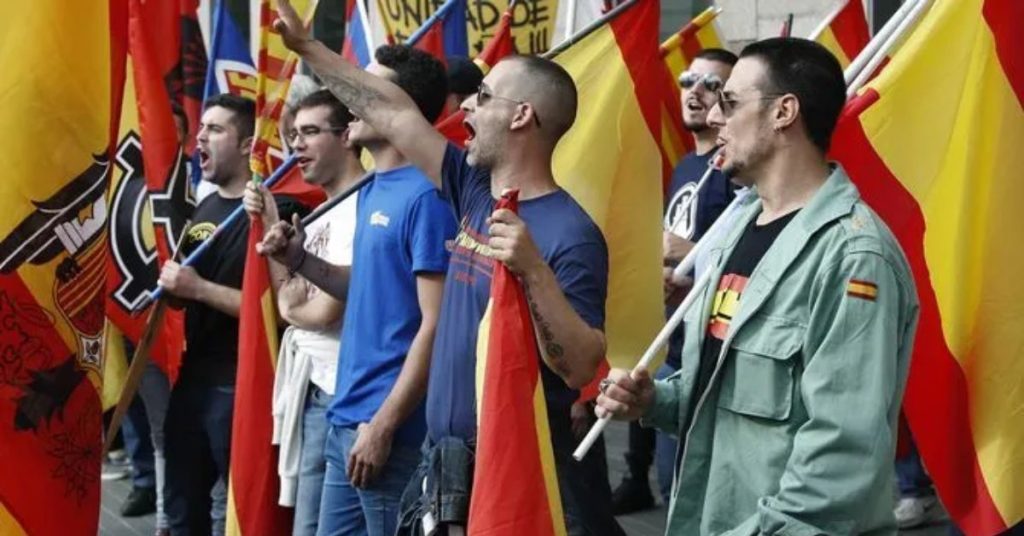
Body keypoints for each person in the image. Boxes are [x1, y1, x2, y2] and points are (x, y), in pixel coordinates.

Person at [271, 3, 621, 534]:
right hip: (445, 468)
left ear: (522, 115)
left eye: (483, 98)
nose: (467, 112)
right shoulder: (473, 191)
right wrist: (308, 50)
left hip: (514, 477)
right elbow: (394, 114)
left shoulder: (570, 234)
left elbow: (578, 365)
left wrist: (533, 273)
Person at [595, 37, 920, 535]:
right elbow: (726, 387)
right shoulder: (735, 228)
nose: (714, 118)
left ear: (784, 112)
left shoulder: (855, 256)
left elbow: (839, 458)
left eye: (730, 101)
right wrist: (652, 401)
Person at [256, 45, 456, 536]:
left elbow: (437, 324)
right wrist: (298, 260)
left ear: (396, 103)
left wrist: (384, 425)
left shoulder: (427, 197)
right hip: (345, 418)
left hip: (388, 432)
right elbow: (364, 288)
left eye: (363, 90)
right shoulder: (372, 189)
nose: (350, 103)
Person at [158, 93, 306, 535]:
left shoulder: (276, 213)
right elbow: (187, 293)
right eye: (201, 128)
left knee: (242, 509)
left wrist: (198, 289)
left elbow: (277, 313)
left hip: (240, 384)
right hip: (193, 378)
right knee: (182, 507)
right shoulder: (204, 207)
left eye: (215, 129)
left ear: (248, 144)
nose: (200, 136)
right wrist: (176, 293)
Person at [612, 48, 740, 513]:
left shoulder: (734, 172)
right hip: (675, 341)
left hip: (711, 351)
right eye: (688, 80)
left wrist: (694, 258)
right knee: (674, 488)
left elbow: (750, 261)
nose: (695, 92)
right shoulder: (689, 165)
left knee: (696, 493)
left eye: (712, 85)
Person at [244, 88, 365, 536]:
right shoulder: (319, 213)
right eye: (294, 133)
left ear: (347, 135)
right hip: (315, 388)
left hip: (344, 396)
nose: (296, 145)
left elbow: (319, 312)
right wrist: (272, 217)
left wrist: (295, 302)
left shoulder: (363, 206)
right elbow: (288, 303)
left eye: (310, 132)